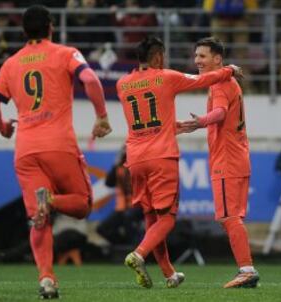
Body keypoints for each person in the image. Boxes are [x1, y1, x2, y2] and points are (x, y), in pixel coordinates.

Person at [0, 5, 111, 299]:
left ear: (23, 32)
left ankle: (46, 279)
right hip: (58, 145)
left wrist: (4, 127)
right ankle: (51, 201)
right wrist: (102, 116)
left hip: (26, 150)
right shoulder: (65, 53)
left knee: (38, 219)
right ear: (51, 27)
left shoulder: (11, 63)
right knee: (81, 204)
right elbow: (90, 79)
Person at [116, 36, 242, 289]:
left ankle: (169, 274)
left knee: (152, 218)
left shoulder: (122, 84)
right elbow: (204, 79)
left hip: (135, 158)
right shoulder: (165, 76)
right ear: (158, 57)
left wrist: (172, 126)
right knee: (168, 219)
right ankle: (138, 254)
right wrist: (230, 70)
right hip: (161, 156)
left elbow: (145, 121)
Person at [177, 36, 259, 288]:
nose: (197, 61)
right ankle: (246, 269)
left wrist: (202, 120)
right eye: (196, 56)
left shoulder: (221, 83)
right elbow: (224, 118)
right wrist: (198, 125)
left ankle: (247, 270)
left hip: (227, 161)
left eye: (202, 56)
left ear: (217, 59)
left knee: (228, 217)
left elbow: (221, 113)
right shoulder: (228, 80)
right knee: (232, 217)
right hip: (239, 158)